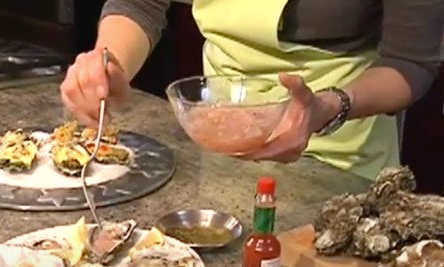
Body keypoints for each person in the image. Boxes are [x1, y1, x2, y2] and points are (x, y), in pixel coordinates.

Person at [60, 0, 444, 180]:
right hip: (220, 141)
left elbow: (410, 63)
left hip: (338, 158)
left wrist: (328, 106)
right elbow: (141, 3)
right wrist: (109, 63)